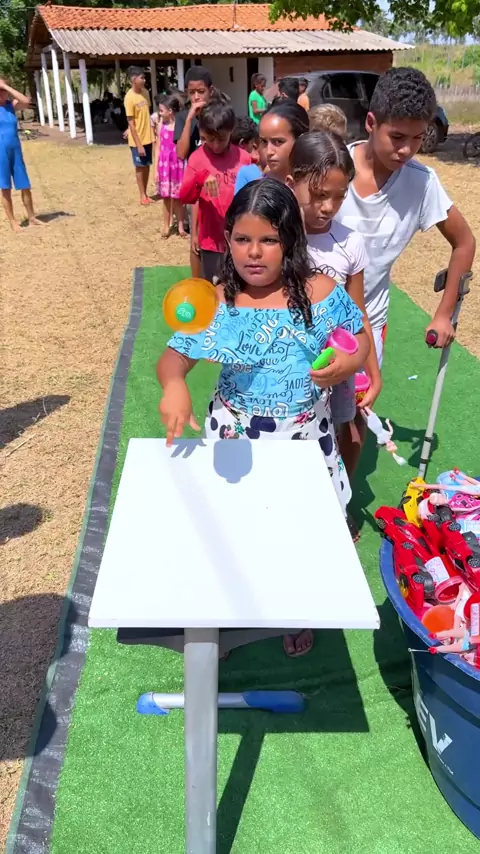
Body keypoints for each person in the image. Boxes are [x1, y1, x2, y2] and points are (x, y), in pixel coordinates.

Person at [156, 179, 369, 656]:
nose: (254, 252)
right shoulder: (215, 301)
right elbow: (174, 357)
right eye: (242, 239)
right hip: (234, 440)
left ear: (291, 240)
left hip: (303, 442)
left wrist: (348, 362)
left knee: (298, 533)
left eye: (269, 239)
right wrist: (174, 385)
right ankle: (229, 611)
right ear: (227, 239)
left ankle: (293, 609)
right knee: (235, 529)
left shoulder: (320, 292)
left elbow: (359, 337)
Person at [337, 66, 475, 475]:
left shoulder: (421, 183)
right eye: (397, 137)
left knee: (355, 421)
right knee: (301, 416)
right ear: (371, 122)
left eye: (418, 138)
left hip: (366, 323)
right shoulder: (331, 167)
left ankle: (341, 499)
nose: (407, 149)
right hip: (309, 316)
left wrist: (444, 313)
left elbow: (464, 242)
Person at [286, 132, 381, 532]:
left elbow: (357, 315)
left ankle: (335, 506)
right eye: (319, 194)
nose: (328, 207)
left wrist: (372, 371)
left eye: (340, 197)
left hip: (337, 368)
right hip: (289, 367)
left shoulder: (349, 243)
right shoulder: (276, 239)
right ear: (292, 183)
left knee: (350, 430)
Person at [178, 102, 250, 282]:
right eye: (209, 139)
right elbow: (185, 196)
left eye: (222, 139)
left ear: (231, 131)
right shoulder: (197, 158)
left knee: (239, 285)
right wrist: (200, 178)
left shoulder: (243, 158)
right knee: (212, 286)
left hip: (240, 238)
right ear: (202, 133)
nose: (216, 145)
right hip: (211, 240)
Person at [174, 66, 214, 278]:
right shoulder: (183, 118)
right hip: (197, 189)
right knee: (196, 239)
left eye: (201, 91)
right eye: (192, 92)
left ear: (210, 91)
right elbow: (181, 153)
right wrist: (190, 119)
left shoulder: (218, 114)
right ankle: (197, 282)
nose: (197, 97)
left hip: (219, 184)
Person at [0, 78, 43, 231]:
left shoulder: (10, 105)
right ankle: (13, 222)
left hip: (15, 150)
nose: (1, 93)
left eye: (2, 90)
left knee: (25, 184)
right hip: (1, 153)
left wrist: (6, 86)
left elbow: (26, 101)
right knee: (5, 188)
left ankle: (32, 218)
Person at [153, 93, 187, 239]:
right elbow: (157, 147)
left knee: (178, 198)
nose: (159, 113)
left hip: (177, 165)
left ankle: (181, 227)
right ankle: (166, 226)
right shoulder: (161, 126)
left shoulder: (180, 126)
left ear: (170, 111)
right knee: (166, 198)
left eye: (161, 110)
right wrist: (156, 170)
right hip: (164, 166)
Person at [124, 66, 155, 206]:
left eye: (144, 77)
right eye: (142, 78)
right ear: (133, 79)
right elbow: (131, 122)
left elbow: (145, 114)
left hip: (148, 137)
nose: (144, 80)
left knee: (147, 165)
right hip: (137, 140)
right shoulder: (129, 98)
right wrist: (139, 144)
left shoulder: (146, 93)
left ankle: (146, 193)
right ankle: (142, 195)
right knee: (139, 167)